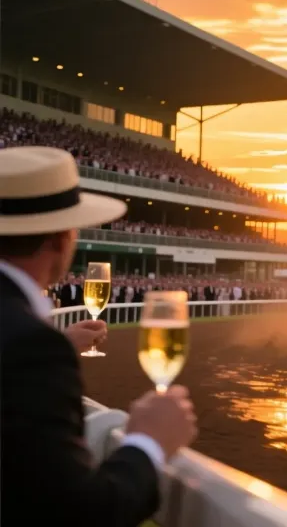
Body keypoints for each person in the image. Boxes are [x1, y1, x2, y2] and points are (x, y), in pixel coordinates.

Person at [0, 146, 198, 526]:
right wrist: (148, 443)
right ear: (61, 238)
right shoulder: (30, 348)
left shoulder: (29, 344)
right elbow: (78, 513)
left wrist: (56, 350)